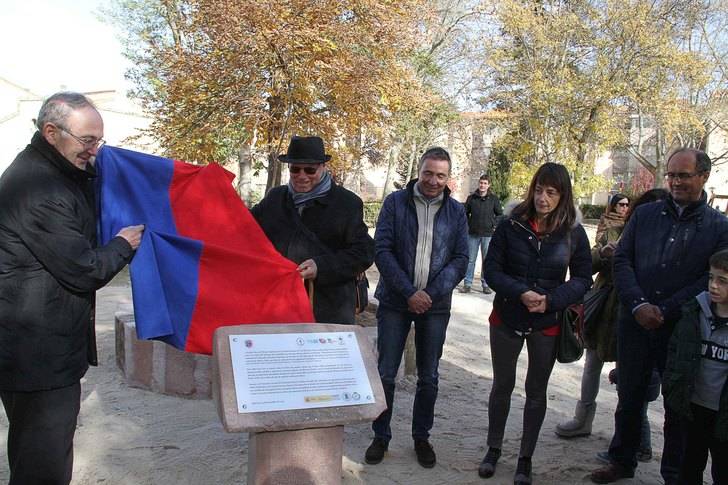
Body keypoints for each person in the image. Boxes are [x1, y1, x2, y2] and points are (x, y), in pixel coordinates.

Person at [0, 92, 144, 485]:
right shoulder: (38, 188)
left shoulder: (56, 173)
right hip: (36, 355)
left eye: (99, 140)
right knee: (42, 463)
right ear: (51, 132)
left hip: (41, 349)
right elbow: (83, 269)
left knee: (38, 452)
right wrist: (123, 244)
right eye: (88, 141)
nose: (94, 151)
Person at [590, 148, 728, 484]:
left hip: (681, 329)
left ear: (703, 177)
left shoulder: (718, 226)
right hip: (635, 322)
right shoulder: (645, 214)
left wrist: (665, 310)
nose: (676, 182)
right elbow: (622, 260)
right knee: (629, 396)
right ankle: (622, 459)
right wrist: (638, 305)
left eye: (684, 175)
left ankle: (674, 473)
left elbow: (706, 279)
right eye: (671, 175)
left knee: (678, 405)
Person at [479, 162, 592, 484]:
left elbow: (583, 276)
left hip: (548, 321)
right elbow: (492, 271)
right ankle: (493, 447)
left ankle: (525, 458)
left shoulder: (572, 231)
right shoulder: (510, 224)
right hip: (507, 316)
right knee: (502, 385)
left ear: (563, 195)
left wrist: (553, 299)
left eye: (551, 192)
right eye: (539, 189)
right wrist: (521, 293)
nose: (543, 198)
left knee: (536, 391)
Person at [364, 147, 468, 469]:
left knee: (429, 377)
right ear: (419, 171)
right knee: (386, 373)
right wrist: (409, 292)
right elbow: (382, 249)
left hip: (435, 307)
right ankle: (381, 435)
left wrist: (430, 294)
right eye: (428, 173)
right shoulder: (395, 203)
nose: (433, 181)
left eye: (440, 175)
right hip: (396, 301)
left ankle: (421, 436)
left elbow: (461, 259)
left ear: (447, 177)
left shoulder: (456, 212)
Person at [251, 135, 374, 324]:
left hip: (329, 309)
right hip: (281, 305)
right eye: (295, 169)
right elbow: (244, 226)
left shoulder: (346, 203)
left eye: (310, 170)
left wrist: (321, 267)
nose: (302, 176)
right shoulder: (275, 198)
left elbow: (363, 253)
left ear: (323, 167)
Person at [556, 193, 630, 439]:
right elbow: (588, 264)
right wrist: (605, 254)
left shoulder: (652, 240)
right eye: (621, 204)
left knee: (629, 373)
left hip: (630, 311)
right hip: (603, 307)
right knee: (592, 363)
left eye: (628, 205)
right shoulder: (610, 231)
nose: (624, 208)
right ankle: (582, 419)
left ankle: (633, 434)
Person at [663, 248, 728, 485]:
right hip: (693, 407)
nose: (714, 286)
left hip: (724, 414)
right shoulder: (694, 312)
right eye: (711, 278)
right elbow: (675, 351)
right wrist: (673, 388)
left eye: (723, 281)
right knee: (689, 465)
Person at [460, 173, 502, 294]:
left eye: (485, 183)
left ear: (489, 185)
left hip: (488, 235)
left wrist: (493, 225)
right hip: (472, 234)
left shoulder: (494, 199)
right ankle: (467, 284)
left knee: (487, 260)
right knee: (470, 260)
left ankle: (485, 284)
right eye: (481, 183)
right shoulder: (472, 198)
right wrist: (467, 225)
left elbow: (499, 214)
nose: (482, 185)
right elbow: (464, 213)